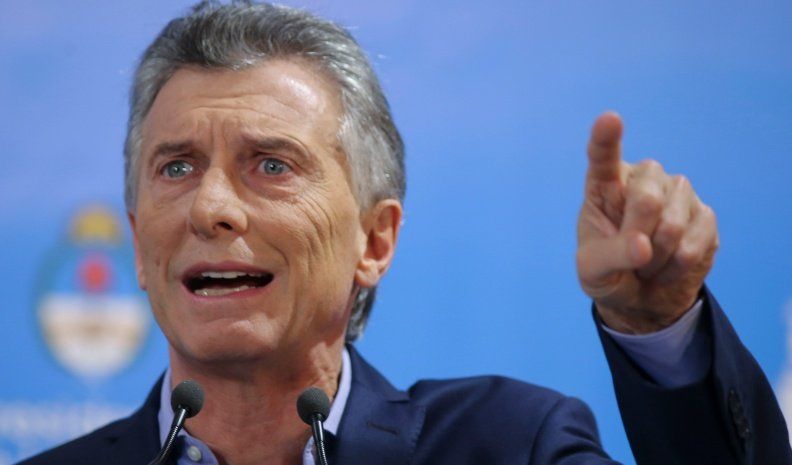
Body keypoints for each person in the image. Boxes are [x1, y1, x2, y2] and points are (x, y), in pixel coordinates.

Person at [18, 2, 790, 464]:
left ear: (375, 240)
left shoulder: (508, 445)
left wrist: (658, 326)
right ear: (138, 244)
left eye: (270, 164)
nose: (210, 206)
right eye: (178, 167)